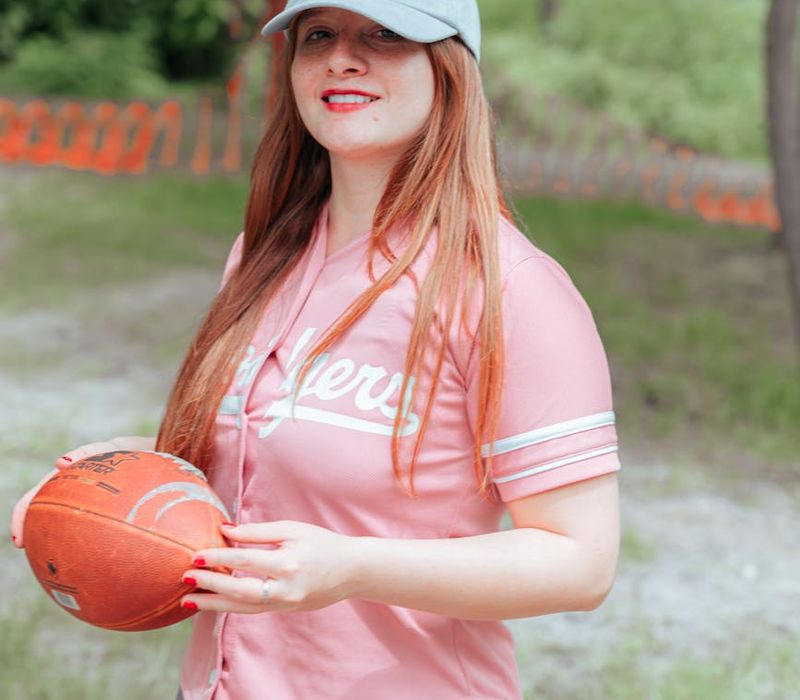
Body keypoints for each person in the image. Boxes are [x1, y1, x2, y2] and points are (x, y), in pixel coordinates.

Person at [12, 1, 622, 698]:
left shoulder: (510, 287)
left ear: (449, 66)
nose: (342, 57)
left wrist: (354, 568)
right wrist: (114, 474)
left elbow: (581, 563)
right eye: (319, 36)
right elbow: (257, 464)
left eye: (386, 34)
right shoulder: (264, 256)